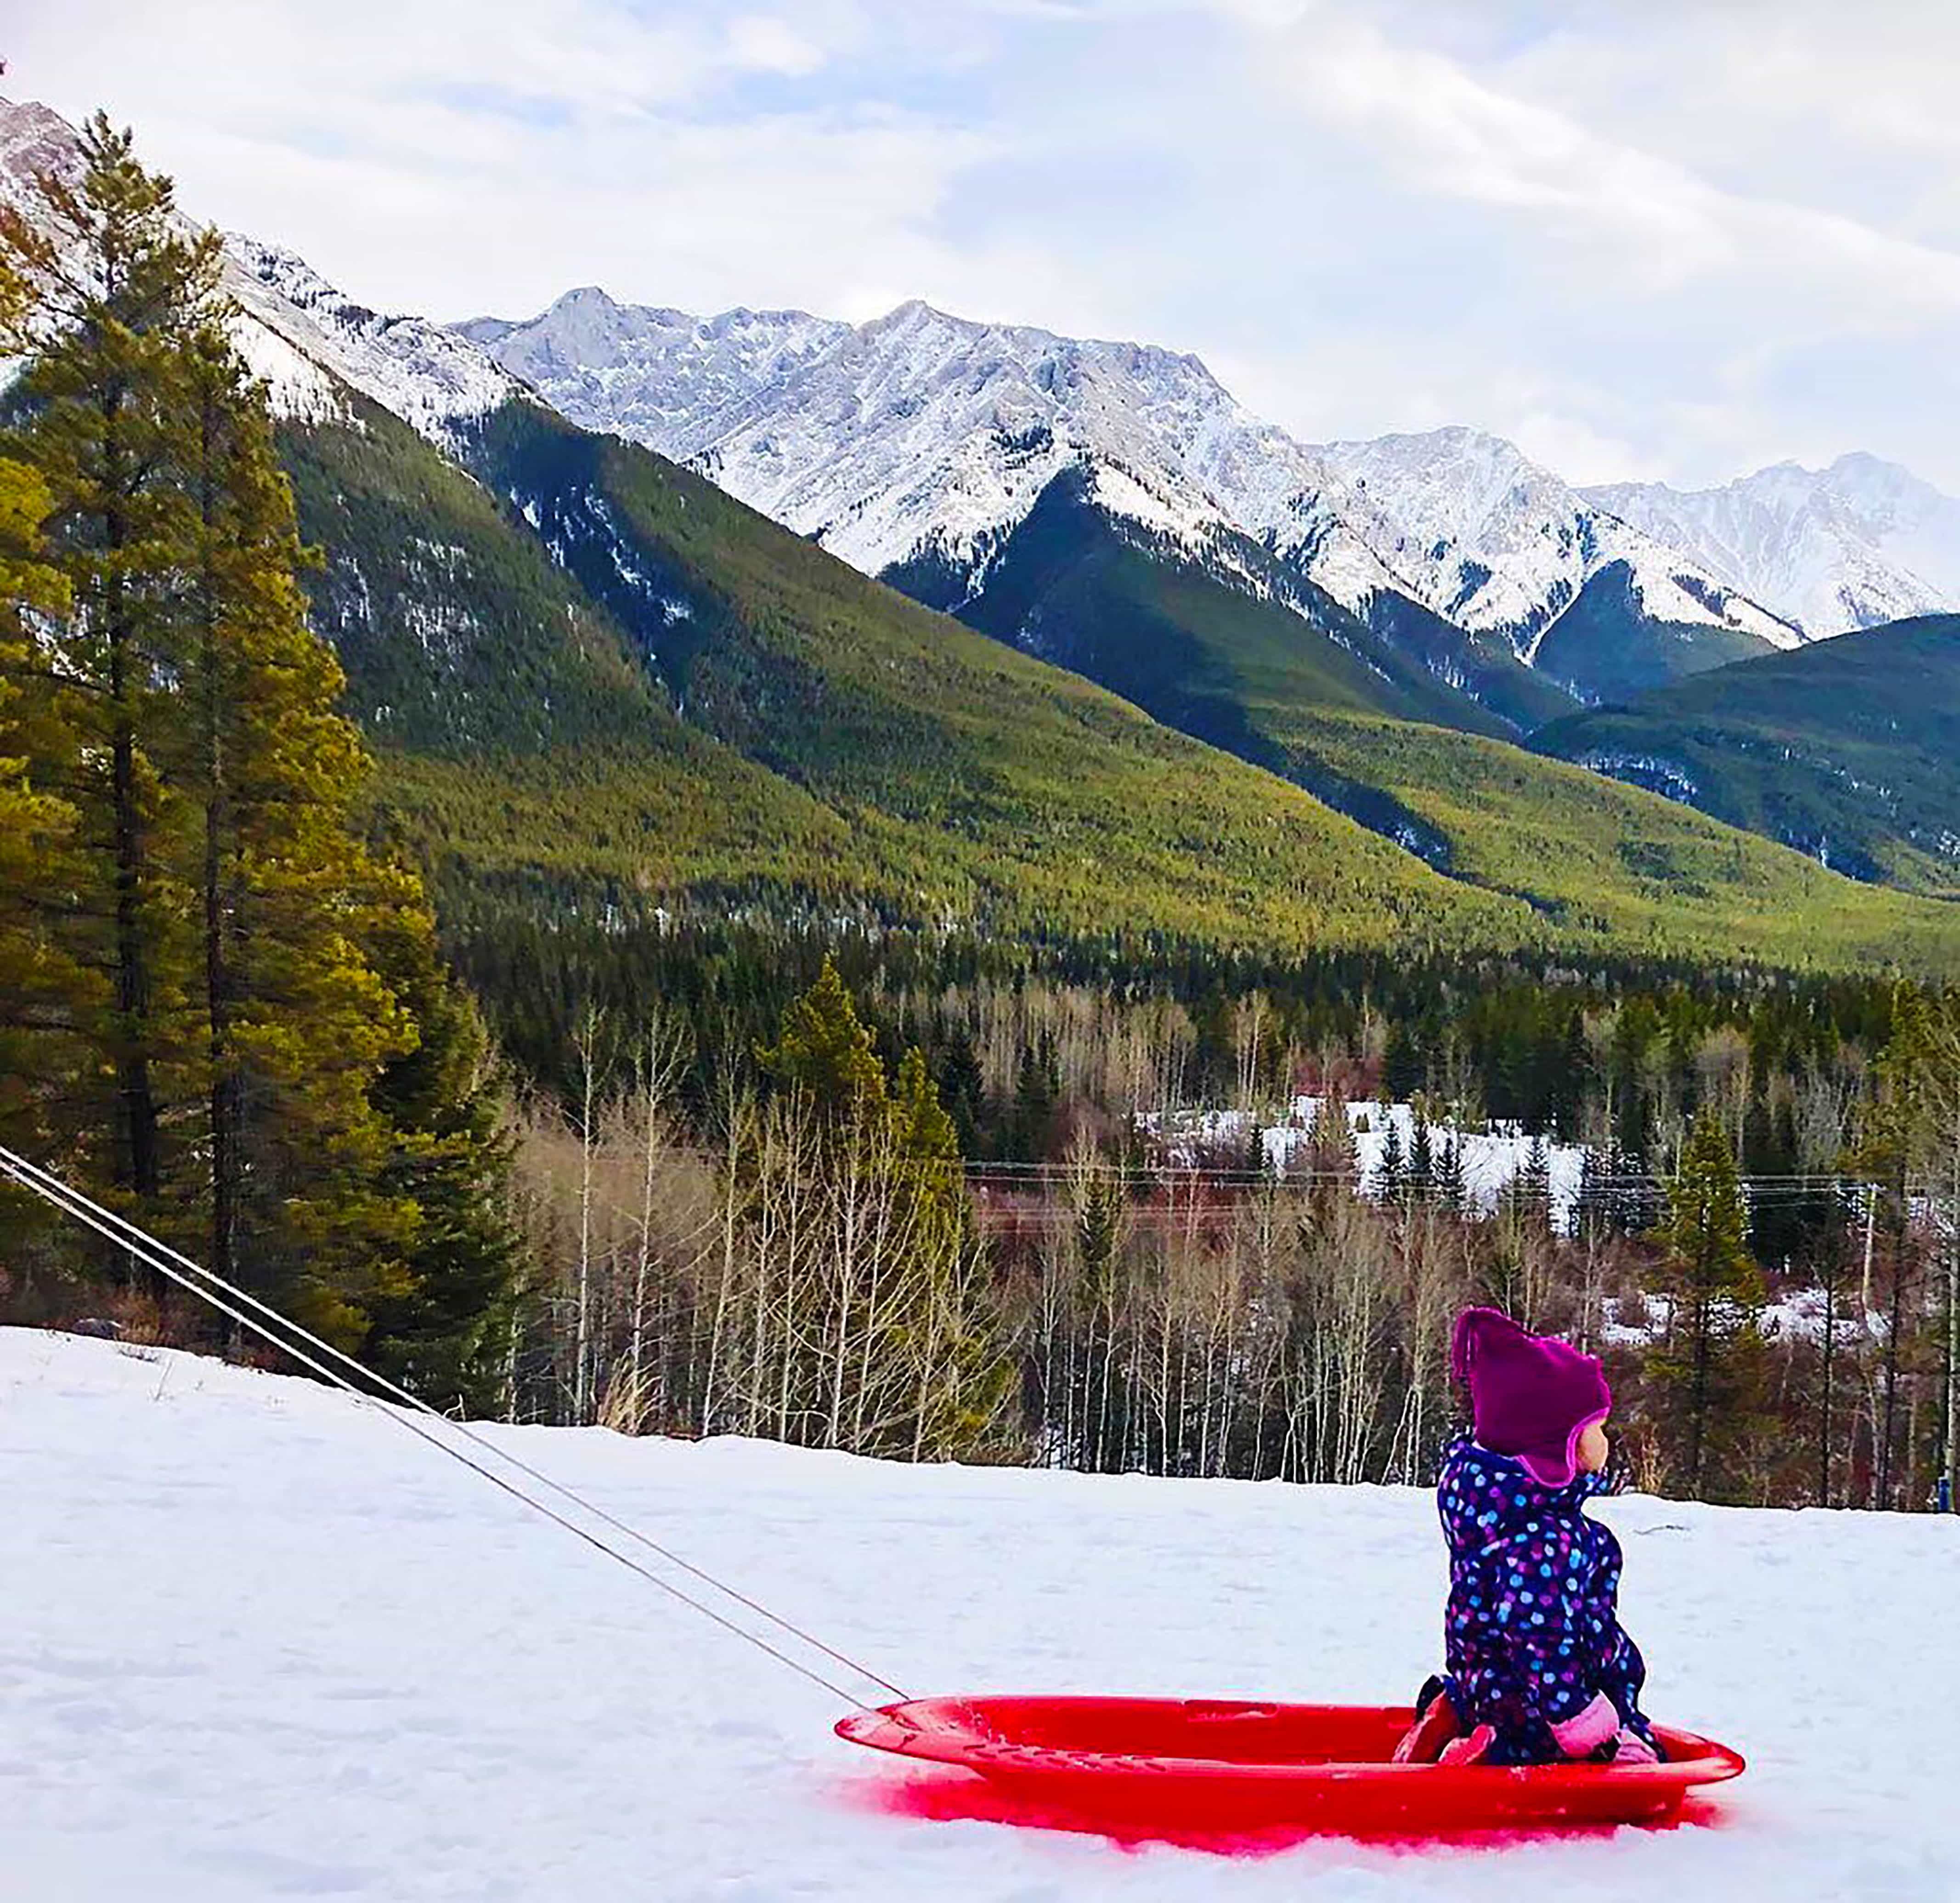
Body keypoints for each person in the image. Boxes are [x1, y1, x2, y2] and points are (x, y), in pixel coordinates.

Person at [1394, 1307, 1662, 1767]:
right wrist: (1579, 1721)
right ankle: (1487, 1753)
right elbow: (1536, 1629)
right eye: (1596, 1428)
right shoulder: (1542, 1535)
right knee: (1544, 1751)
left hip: (1492, 1684)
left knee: (1505, 1704)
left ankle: (1460, 1711)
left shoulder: (1501, 1510)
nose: (1606, 1441)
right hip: (1542, 1709)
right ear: (1560, 1447)